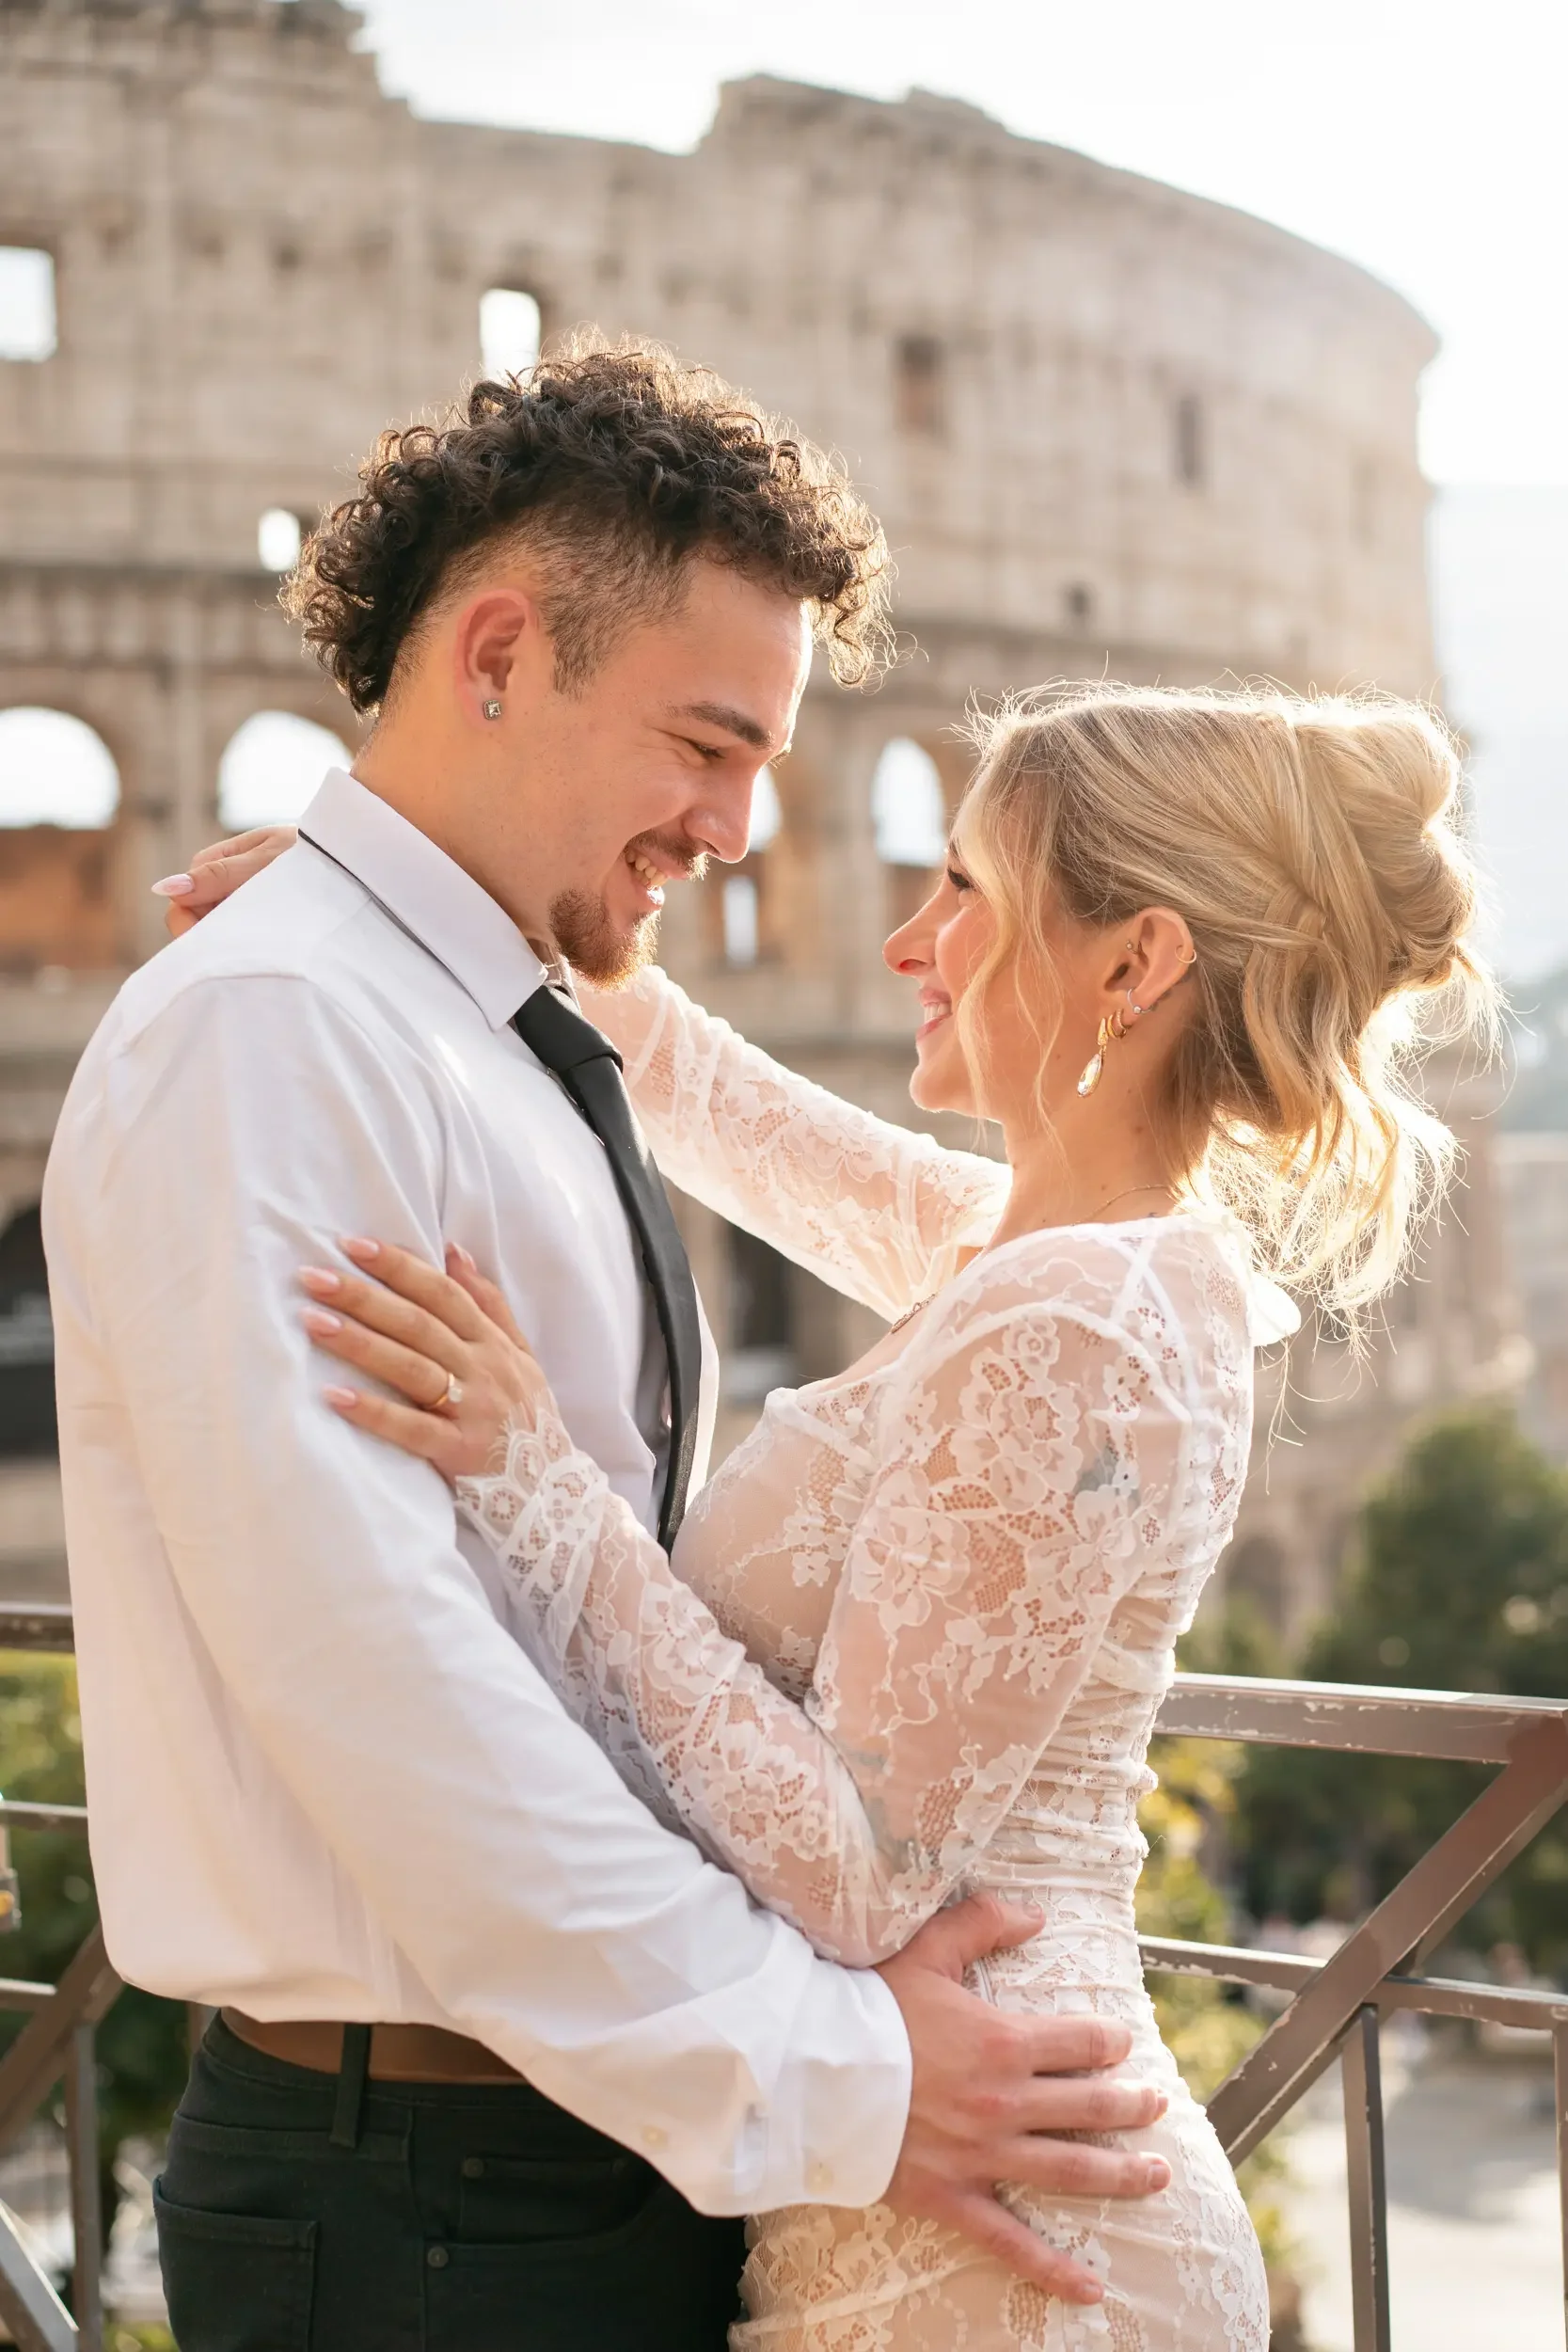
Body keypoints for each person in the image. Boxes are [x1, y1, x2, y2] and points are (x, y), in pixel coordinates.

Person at [41, 345, 1172, 2352]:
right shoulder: (275, 1029)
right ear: (495, 652)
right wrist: (835, 2068)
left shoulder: (454, 1021)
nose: (740, 827)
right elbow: (383, 1681)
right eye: (706, 742)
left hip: (589, 2135)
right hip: (436, 2189)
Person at [180, 676, 1495, 2346]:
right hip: (957, 2185)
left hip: (991, 2233)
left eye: (965, 891)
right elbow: (732, 1110)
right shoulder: (1056, 1262)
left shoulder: (1074, 1318)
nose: (906, 941)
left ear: (1134, 965)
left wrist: (536, 1481)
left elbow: (863, 1871)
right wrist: (408, 898)